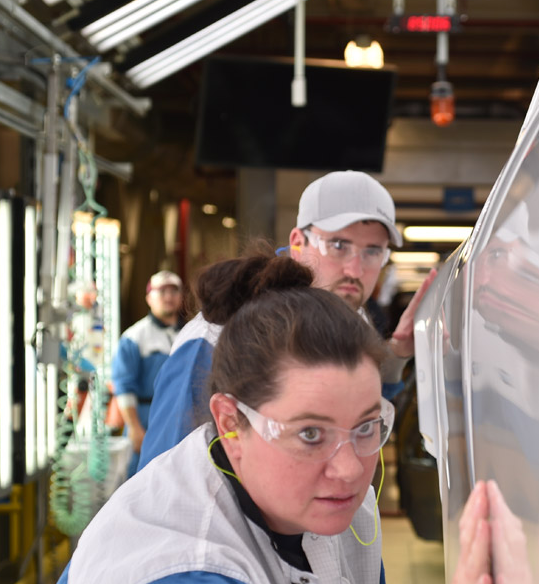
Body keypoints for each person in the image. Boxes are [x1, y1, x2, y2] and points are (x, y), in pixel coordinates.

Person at [26, 256, 493, 584]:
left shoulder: (337, 512)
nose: (351, 470)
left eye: (368, 426)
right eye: (310, 434)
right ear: (231, 423)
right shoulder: (170, 572)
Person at [137, 170, 434, 473]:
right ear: (297, 243)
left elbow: (355, 411)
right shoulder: (218, 335)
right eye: (338, 245)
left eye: (373, 251)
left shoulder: (351, 318)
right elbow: (161, 474)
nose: (355, 270)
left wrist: (398, 350)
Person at [110, 270, 183, 477]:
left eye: (174, 291)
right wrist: (135, 428)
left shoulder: (189, 334)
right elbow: (123, 387)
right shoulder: (134, 337)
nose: (168, 297)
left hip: (180, 418)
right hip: (146, 420)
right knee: (141, 479)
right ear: (149, 298)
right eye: (162, 291)